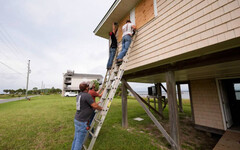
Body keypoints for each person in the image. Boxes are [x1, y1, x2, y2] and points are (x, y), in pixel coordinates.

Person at [71, 81, 103, 150]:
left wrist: (95, 103)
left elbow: (86, 105)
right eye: (88, 86)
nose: (89, 87)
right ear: (86, 88)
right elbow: (94, 105)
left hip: (77, 119)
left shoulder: (79, 95)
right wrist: (101, 108)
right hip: (82, 122)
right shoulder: (87, 95)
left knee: (76, 139)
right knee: (79, 142)